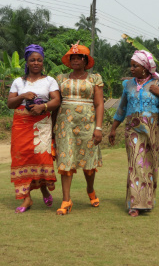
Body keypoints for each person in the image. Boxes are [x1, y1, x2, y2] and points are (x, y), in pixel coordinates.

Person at [108, 50, 159, 217]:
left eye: (135, 65)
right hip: (133, 127)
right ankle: (135, 204)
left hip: (154, 128)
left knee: (151, 163)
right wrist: (113, 128)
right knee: (136, 163)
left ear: (145, 68)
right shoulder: (128, 85)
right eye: (131, 65)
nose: (131, 68)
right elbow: (122, 108)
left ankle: (147, 201)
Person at [7, 44, 61, 213]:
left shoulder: (49, 80)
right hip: (21, 125)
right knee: (21, 158)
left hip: (41, 125)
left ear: (43, 62)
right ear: (27, 62)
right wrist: (23, 95)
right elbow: (10, 103)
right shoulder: (18, 82)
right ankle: (26, 198)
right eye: (32, 60)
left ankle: (44, 188)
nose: (36, 63)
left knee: (41, 159)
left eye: (39, 60)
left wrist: (43, 107)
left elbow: (57, 101)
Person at [53, 41, 104, 215]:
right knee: (66, 161)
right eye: (72, 58)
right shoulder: (61, 79)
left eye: (79, 58)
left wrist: (98, 128)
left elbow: (99, 104)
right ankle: (66, 200)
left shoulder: (94, 79)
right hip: (65, 125)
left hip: (88, 125)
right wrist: (52, 128)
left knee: (89, 164)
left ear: (85, 60)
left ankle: (90, 189)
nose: (75, 61)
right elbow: (56, 102)